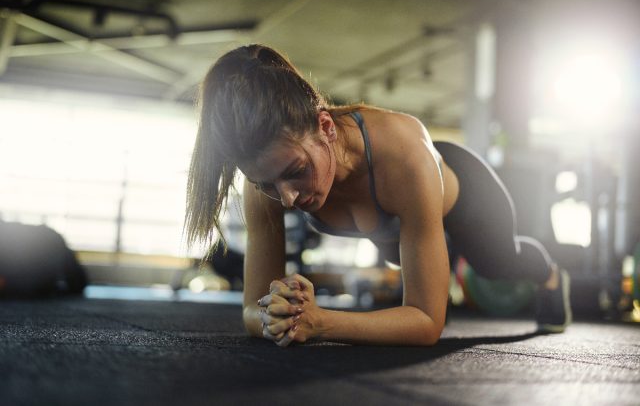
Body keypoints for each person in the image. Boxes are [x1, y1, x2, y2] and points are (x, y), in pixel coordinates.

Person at [184, 44, 572, 347]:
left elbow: (425, 324)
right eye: (266, 185)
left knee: (499, 263)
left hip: (466, 197)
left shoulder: (404, 157)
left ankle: (552, 275)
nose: (285, 198)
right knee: (406, 260)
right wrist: (276, 315)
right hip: (402, 230)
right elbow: (252, 309)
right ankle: (440, 262)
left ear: (325, 126)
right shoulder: (268, 178)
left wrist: (321, 322)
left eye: (296, 172)